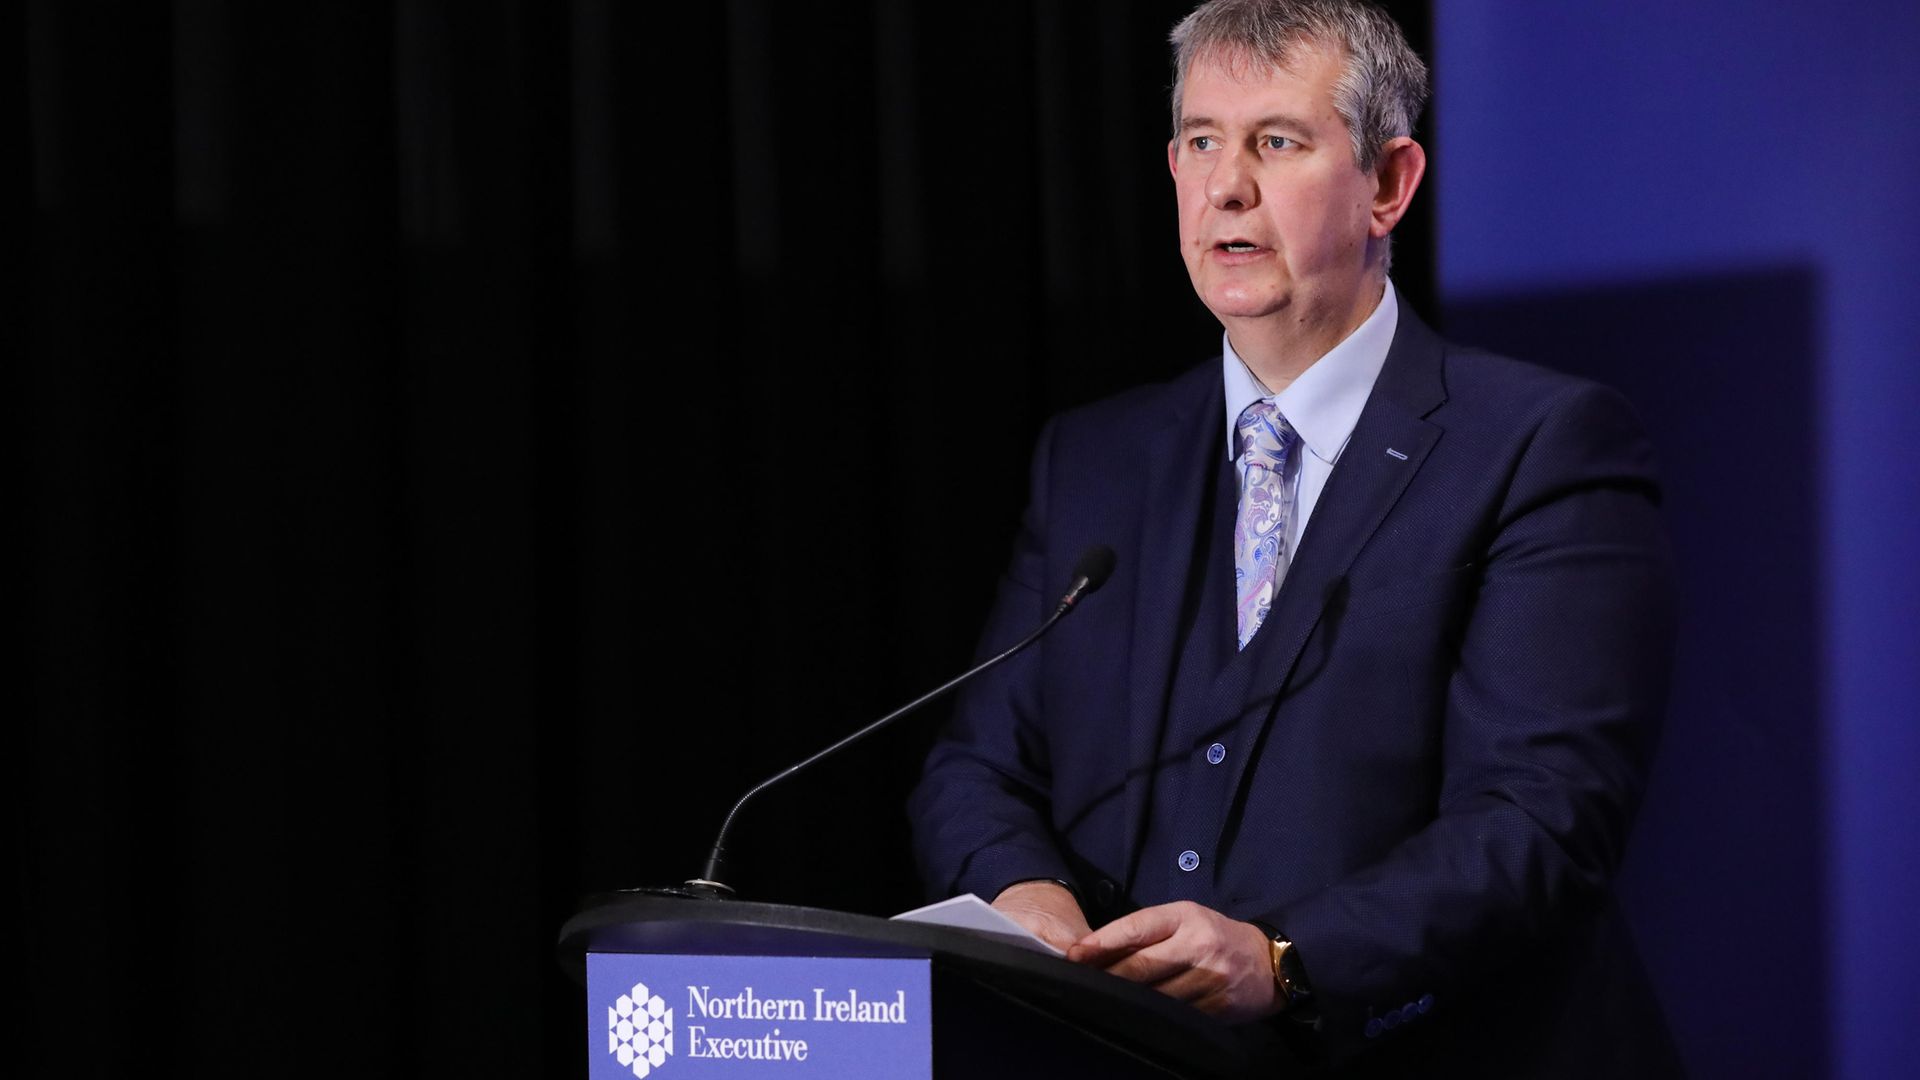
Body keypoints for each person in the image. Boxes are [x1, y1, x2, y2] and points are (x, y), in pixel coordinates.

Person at [907, 0, 1682, 1074]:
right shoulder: (1094, 460)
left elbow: (1544, 820)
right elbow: (976, 766)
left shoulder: (1541, 445)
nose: (1227, 184)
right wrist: (1018, 892)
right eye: (1199, 141)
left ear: (1387, 184)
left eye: (1277, 141)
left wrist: (1287, 957)